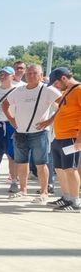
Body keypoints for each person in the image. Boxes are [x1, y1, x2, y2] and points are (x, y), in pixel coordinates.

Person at [3, 64, 61, 203]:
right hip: (20, 132)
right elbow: (5, 104)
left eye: (35, 73)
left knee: (41, 164)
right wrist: (11, 119)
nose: (31, 75)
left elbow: (64, 104)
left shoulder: (48, 90)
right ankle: (23, 190)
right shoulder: (19, 90)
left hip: (39, 133)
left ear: (41, 75)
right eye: (29, 73)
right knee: (21, 163)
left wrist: (50, 120)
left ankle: (44, 192)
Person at [45, 67, 81, 212]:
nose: (56, 87)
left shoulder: (79, 90)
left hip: (71, 137)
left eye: (56, 83)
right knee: (60, 169)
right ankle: (66, 197)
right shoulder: (67, 91)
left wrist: (79, 139)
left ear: (64, 78)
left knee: (70, 169)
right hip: (59, 136)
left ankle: (75, 202)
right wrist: (48, 121)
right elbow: (61, 110)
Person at [0, 66, 21, 190]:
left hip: (11, 126)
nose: (2, 76)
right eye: (1, 74)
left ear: (13, 76)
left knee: (12, 156)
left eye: (6, 74)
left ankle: (14, 181)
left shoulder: (17, 91)